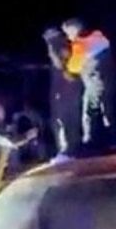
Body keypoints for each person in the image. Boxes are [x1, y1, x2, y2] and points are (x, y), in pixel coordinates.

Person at [62, 18, 114, 150]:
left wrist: (66, 61)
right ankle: (114, 137)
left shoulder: (79, 44)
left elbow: (73, 67)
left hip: (94, 83)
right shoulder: (98, 36)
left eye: (68, 33)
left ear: (74, 29)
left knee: (90, 112)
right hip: (109, 79)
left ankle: (90, 142)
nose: (68, 37)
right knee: (108, 109)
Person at [44, 27, 83, 158]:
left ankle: (69, 150)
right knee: (61, 121)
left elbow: (62, 66)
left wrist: (51, 48)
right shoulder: (62, 48)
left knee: (66, 120)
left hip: (67, 92)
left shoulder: (61, 48)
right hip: (62, 92)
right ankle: (68, 150)